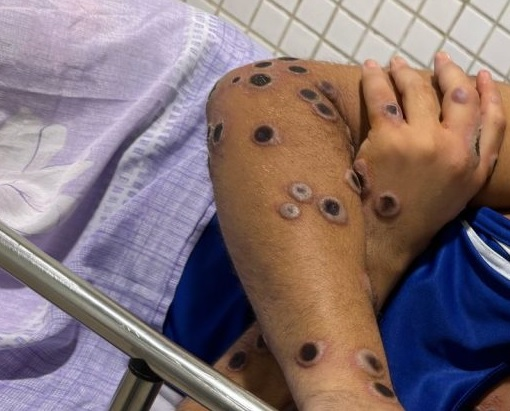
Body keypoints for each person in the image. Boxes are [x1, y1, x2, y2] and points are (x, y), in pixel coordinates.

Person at [175, 53, 509, 410]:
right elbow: (262, 95)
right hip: (176, 126)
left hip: (152, 335)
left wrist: (385, 242)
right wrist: (348, 390)